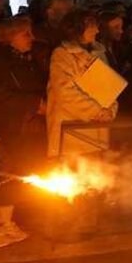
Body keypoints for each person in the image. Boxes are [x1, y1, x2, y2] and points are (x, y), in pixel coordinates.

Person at [0, 16, 47, 246]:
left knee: (14, 177)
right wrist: (35, 103)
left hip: (22, 129)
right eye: (26, 34)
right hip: (2, 129)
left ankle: (6, 223)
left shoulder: (25, 60)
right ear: (10, 36)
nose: (31, 39)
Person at [47, 11, 118, 157]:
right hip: (72, 133)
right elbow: (65, 92)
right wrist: (96, 112)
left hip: (97, 133)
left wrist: (110, 111)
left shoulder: (99, 53)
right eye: (91, 26)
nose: (97, 31)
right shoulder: (63, 55)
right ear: (76, 28)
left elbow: (110, 89)